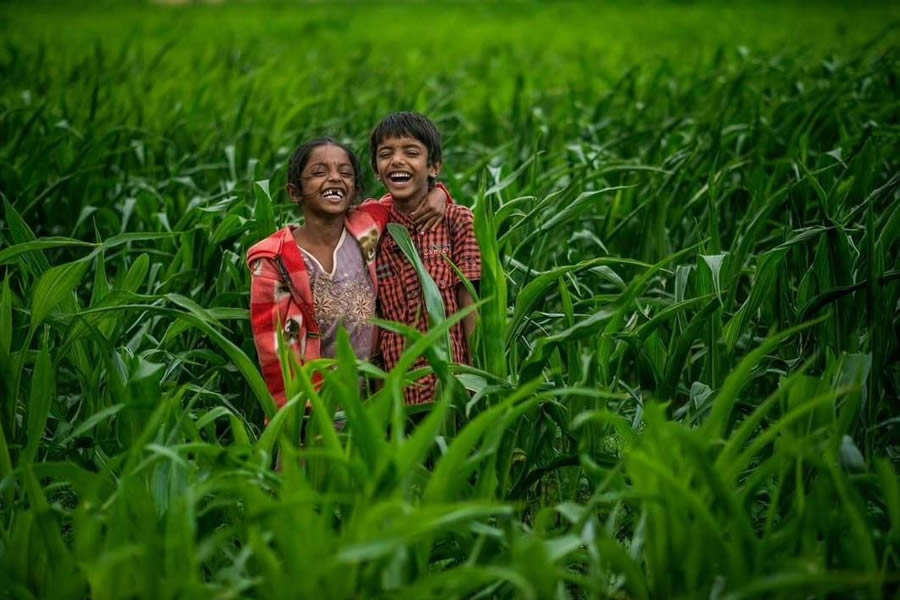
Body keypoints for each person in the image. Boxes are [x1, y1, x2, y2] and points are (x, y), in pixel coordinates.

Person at [246, 137, 450, 409]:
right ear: (295, 192)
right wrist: (306, 414)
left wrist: (440, 194)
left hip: (376, 397)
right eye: (319, 172)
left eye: (345, 173)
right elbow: (279, 349)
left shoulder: (366, 227)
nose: (334, 179)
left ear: (354, 189)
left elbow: (408, 199)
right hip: (316, 406)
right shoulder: (277, 260)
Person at [370, 112, 481, 405]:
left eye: (411, 152)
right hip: (394, 387)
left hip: (449, 381)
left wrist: (476, 379)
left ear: (434, 167)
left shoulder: (457, 220)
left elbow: (469, 302)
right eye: (386, 154)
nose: (397, 160)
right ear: (376, 170)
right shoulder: (372, 228)